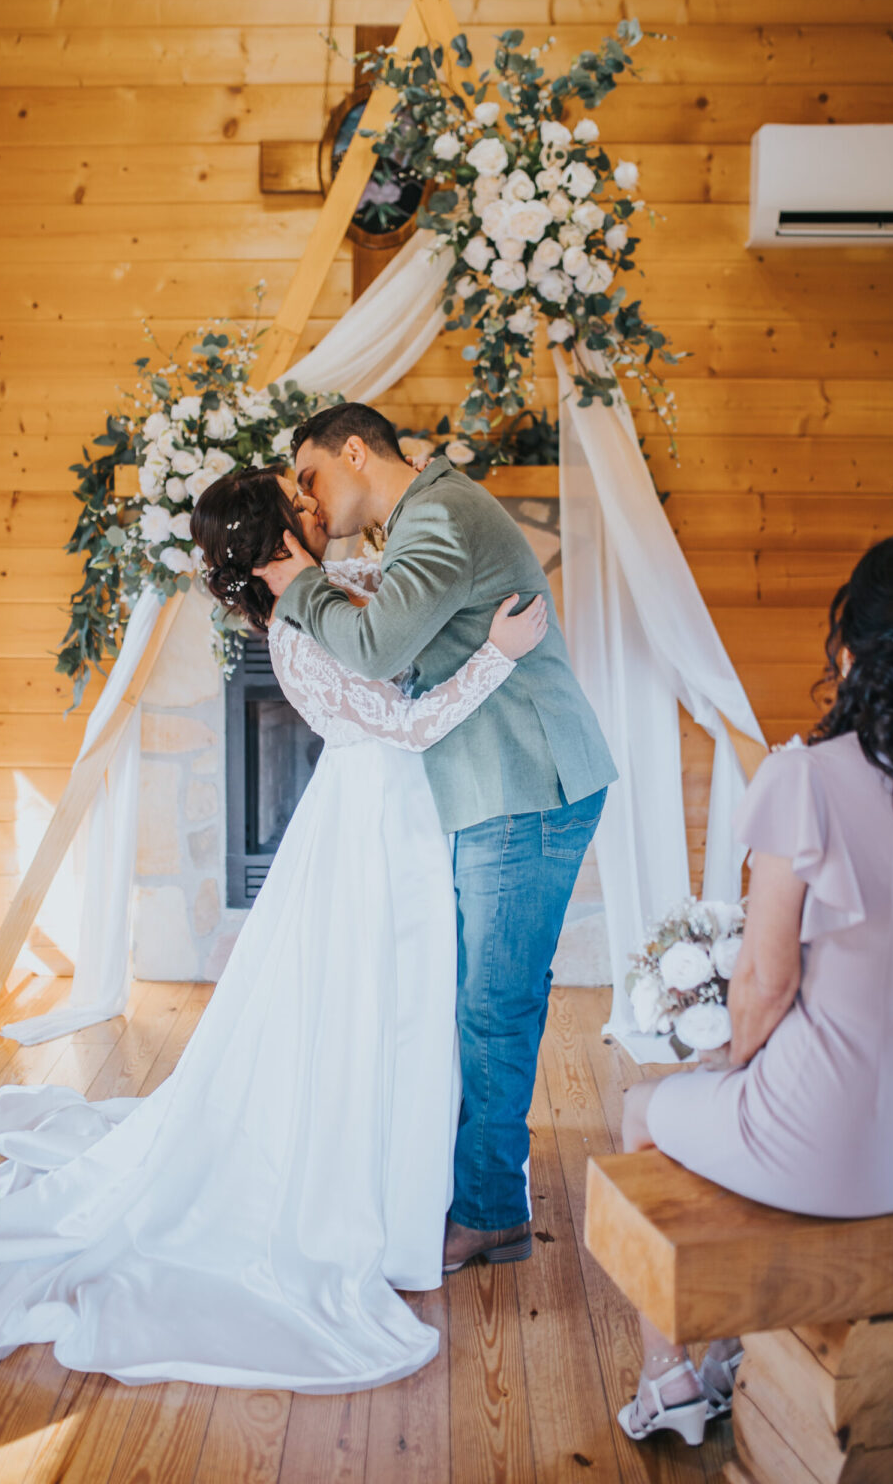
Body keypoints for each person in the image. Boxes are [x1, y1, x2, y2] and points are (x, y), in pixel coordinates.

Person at [0, 466, 547, 1393]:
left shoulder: (330, 592)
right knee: (381, 1004)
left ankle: (425, 1188)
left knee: (409, 1006)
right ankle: (388, 1200)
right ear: (278, 529)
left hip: (401, 819)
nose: (312, 504)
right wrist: (497, 653)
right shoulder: (297, 627)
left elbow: (395, 621)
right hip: (373, 825)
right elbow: (403, 728)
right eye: (297, 502)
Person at [257, 403, 617, 1271]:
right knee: (479, 1000)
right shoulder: (422, 519)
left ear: (354, 451)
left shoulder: (443, 516)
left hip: (525, 783)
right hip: (495, 783)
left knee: (493, 1006)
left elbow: (379, 649)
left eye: (310, 476)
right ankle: (471, 1183)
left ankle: (492, 1211)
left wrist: (290, 579)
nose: (307, 501)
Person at [615, 533, 893, 1446]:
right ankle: (734, 1355)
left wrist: (722, 1059)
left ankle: (674, 1378)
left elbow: (767, 981)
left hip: (829, 1143)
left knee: (643, 1112)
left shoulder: (805, 777)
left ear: (846, 650)